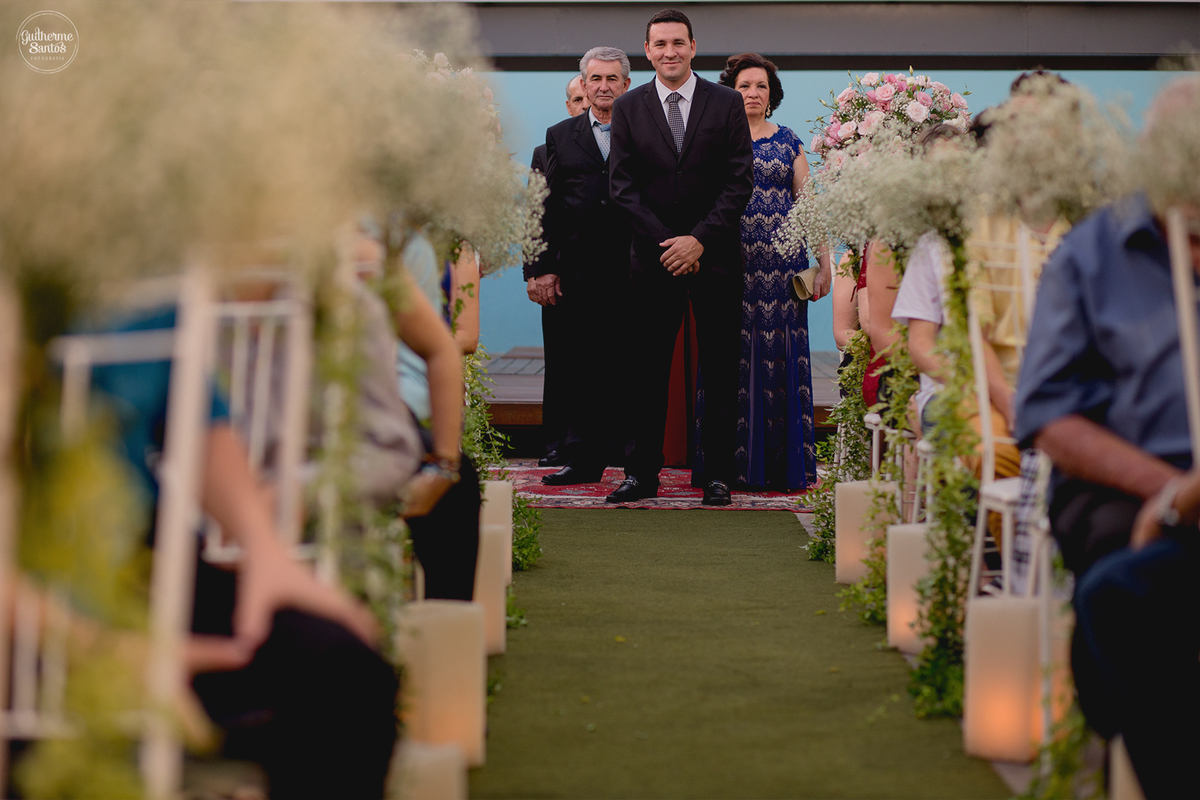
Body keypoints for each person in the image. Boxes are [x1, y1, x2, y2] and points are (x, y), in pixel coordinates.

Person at [87, 304, 396, 799]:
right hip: (36, 575)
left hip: (138, 549)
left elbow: (196, 414)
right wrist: (81, 640)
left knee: (343, 674)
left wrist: (266, 551)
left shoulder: (145, 276)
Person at [1011, 76, 1200, 798]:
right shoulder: (1094, 254)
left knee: (1119, 620)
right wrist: (1171, 490)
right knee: (1121, 593)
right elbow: (1046, 412)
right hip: (1127, 486)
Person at [607, 8, 754, 506]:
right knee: (645, 371)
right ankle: (640, 474)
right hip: (652, 261)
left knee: (719, 370)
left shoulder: (727, 103)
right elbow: (621, 188)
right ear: (647, 51)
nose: (669, 52)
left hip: (714, 258)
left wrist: (699, 240)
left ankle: (717, 476)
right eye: (660, 44)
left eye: (678, 43)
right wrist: (669, 244)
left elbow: (739, 182)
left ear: (693, 46)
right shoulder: (628, 107)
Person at [716, 53, 830, 491]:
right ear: (730, 90)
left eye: (760, 86)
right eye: (745, 85)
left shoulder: (788, 141)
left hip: (782, 272)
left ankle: (784, 466)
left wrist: (823, 264)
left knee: (780, 359)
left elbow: (809, 205)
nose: (752, 93)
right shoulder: (715, 140)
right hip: (730, 266)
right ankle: (729, 469)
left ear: (771, 95)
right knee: (730, 358)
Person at [537, 46, 634, 486]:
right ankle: (581, 458)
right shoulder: (560, 135)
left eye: (612, 78)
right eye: (595, 79)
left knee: (634, 365)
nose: (603, 86)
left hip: (636, 266)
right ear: (584, 83)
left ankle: (636, 459)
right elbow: (544, 206)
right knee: (582, 368)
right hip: (579, 269)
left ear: (626, 84)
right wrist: (540, 268)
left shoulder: (645, 129)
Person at [527, 74, 592, 468]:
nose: (585, 105)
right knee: (562, 361)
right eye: (578, 99)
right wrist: (536, 271)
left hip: (611, 271)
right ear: (568, 105)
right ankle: (556, 442)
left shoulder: (627, 142)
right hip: (561, 273)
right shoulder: (545, 148)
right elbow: (536, 213)